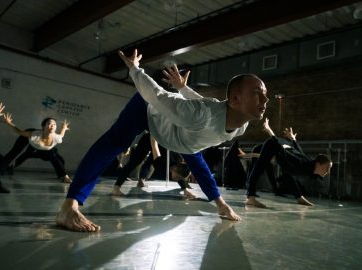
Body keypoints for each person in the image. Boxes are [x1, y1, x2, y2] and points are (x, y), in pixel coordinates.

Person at [55, 49, 269, 232]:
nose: (266, 99)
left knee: (197, 160)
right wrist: (135, 69)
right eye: (258, 93)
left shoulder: (241, 125)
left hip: (183, 137)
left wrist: (182, 88)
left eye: (265, 94)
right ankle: (69, 207)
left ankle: (220, 204)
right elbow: (156, 95)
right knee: (115, 142)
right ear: (235, 100)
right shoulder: (199, 115)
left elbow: (204, 101)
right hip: (148, 109)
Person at [246, 118, 333, 208]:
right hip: (274, 144)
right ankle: (250, 198)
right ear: (319, 164)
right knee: (259, 168)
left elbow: (299, 152)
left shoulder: (308, 165)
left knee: (289, 173)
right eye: (328, 167)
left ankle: (299, 197)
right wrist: (270, 131)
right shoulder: (301, 164)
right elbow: (280, 148)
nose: (328, 171)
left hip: (287, 146)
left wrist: (293, 139)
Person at [1, 113, 72, 183]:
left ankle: (65, 176)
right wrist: (9, 123)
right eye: (49, 123)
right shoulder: (34, 135)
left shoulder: (57, 138)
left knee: (55, 157)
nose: (52, 126)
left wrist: (64, 128)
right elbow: (19, 132)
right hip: (31, 140)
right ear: (43, 127)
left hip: (41, 147)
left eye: (54, 124)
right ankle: (1, 169)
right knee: (15, 152)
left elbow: (61, 134)